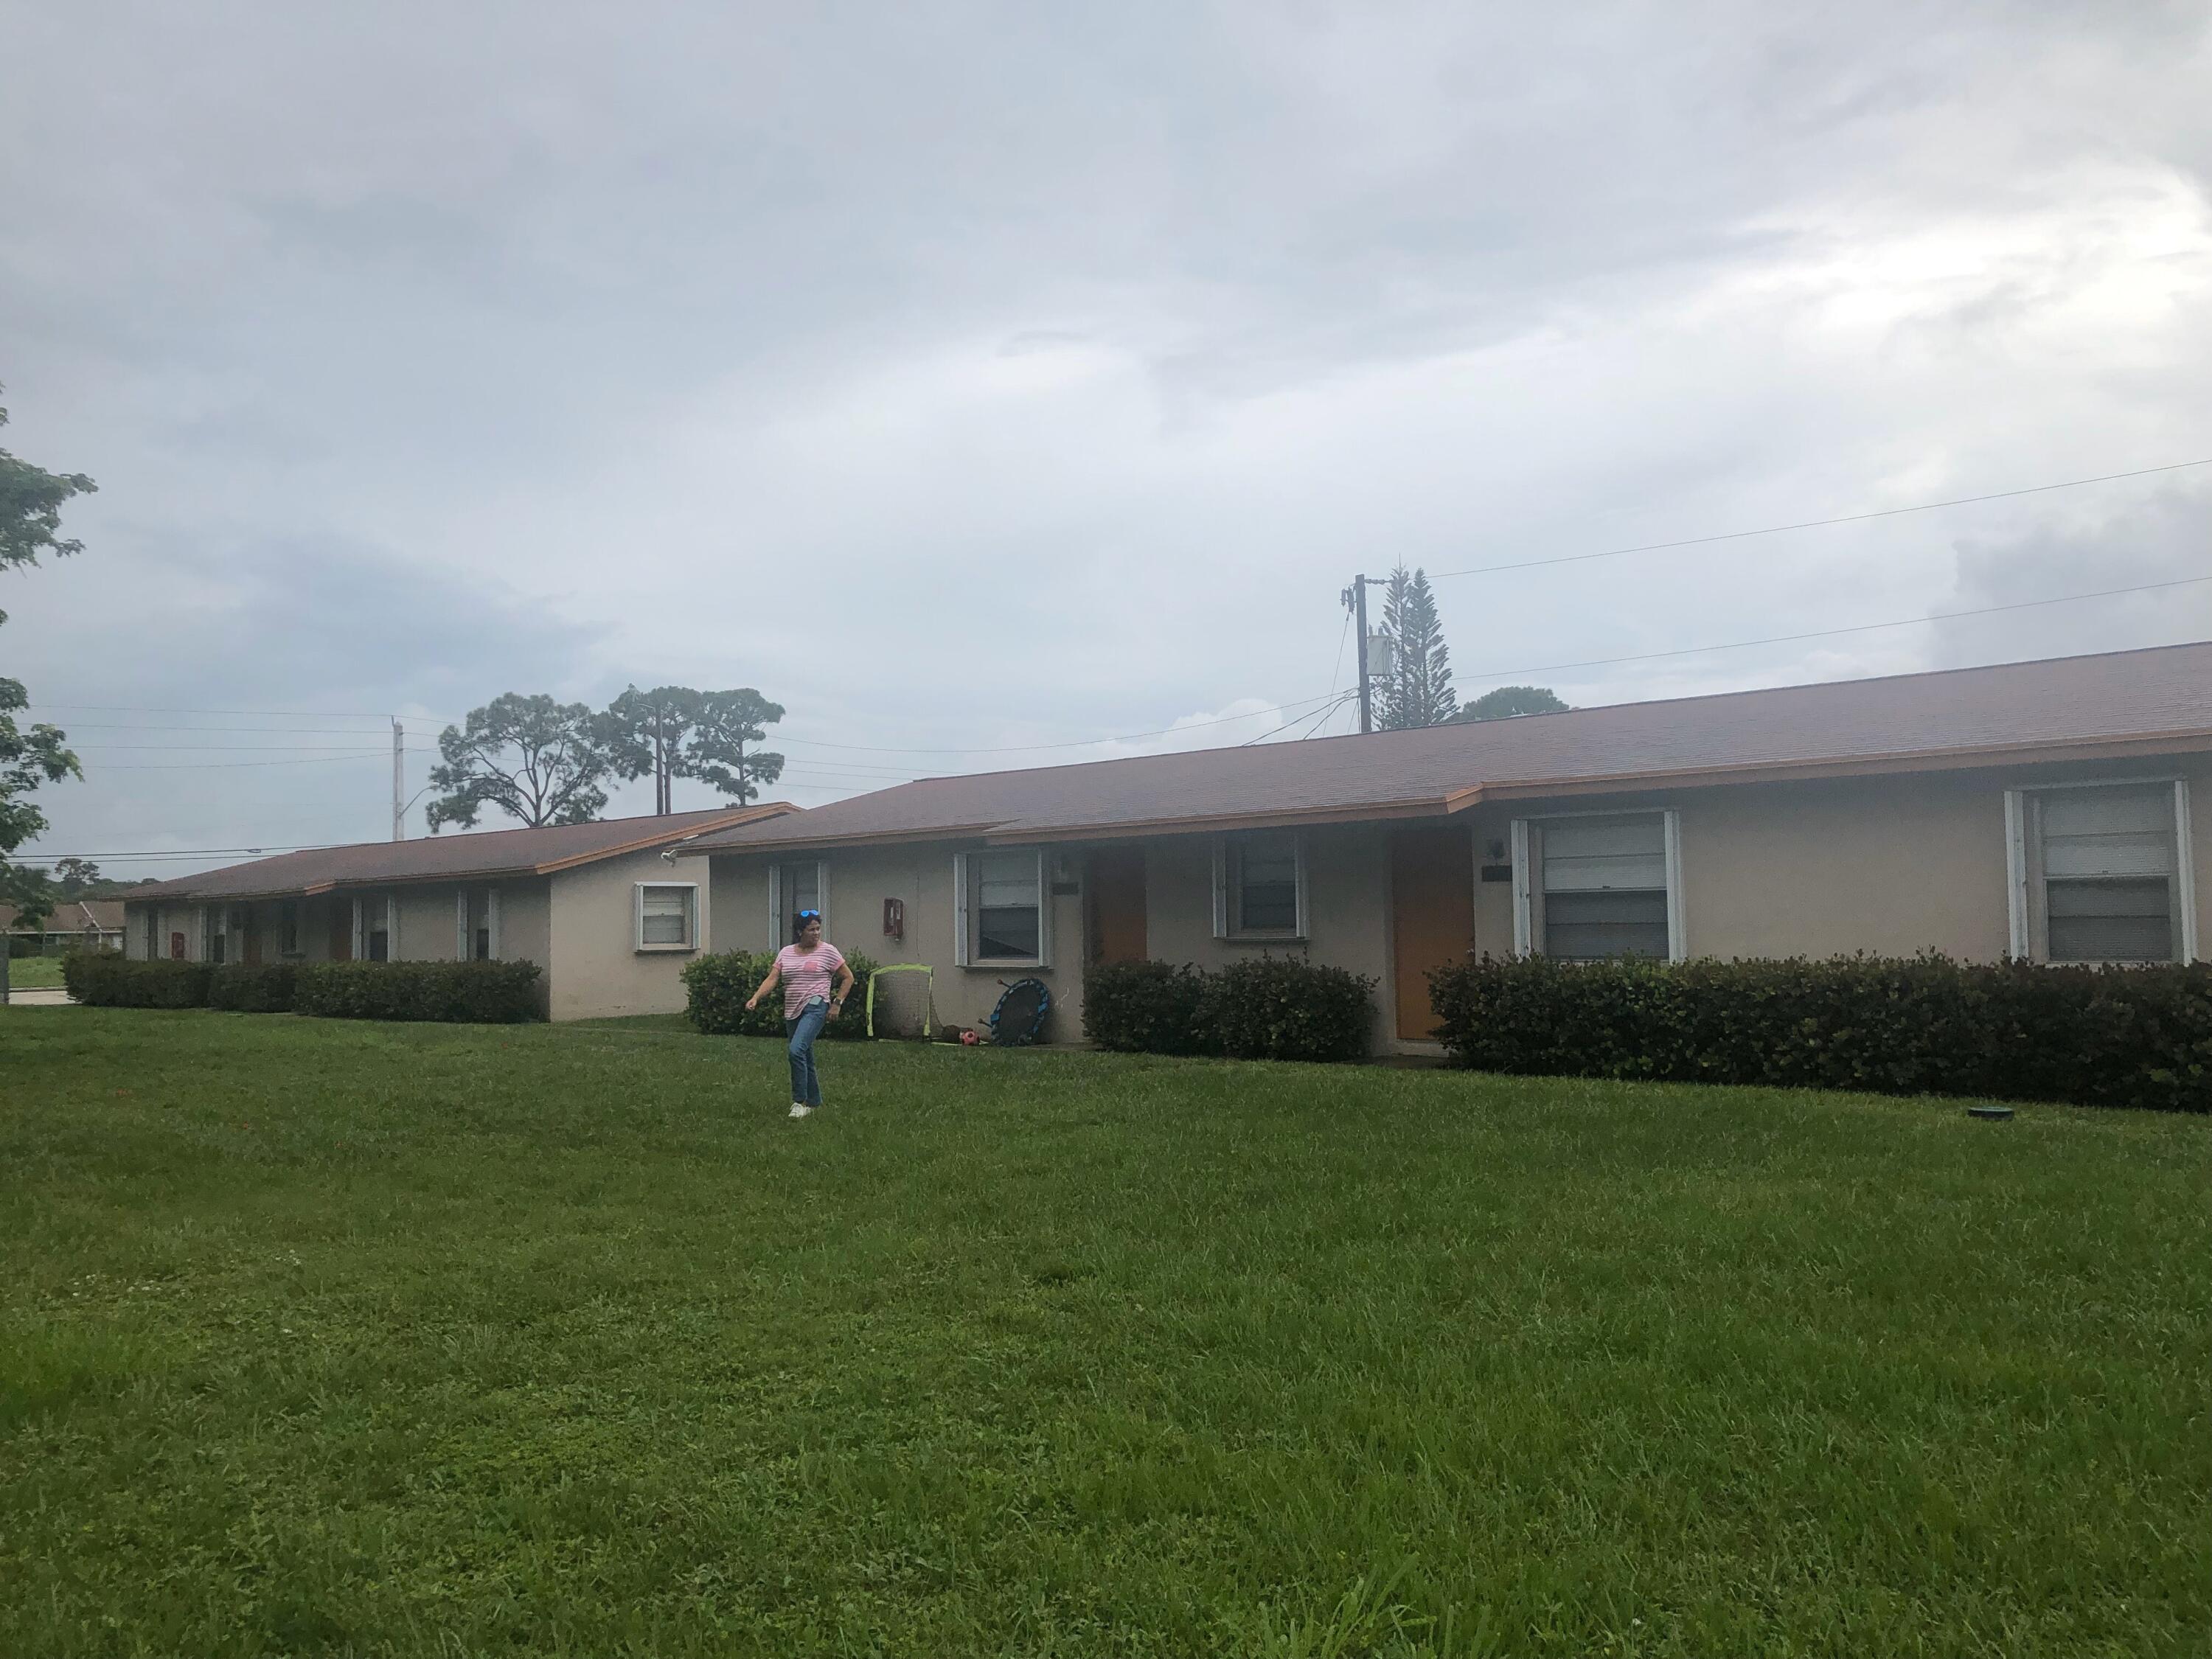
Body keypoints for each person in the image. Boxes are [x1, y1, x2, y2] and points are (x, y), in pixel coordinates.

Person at [745, 910, 855, 1118]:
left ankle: (799, 1102)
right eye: (811, 929)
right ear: (799, 932)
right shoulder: (786, 953)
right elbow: (773, 978)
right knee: (805, 1055)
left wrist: (837, 1003)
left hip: (816, 1005)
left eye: (818, 929)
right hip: (792, 1009)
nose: (816, 933)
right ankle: (814, 1103)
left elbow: (848, 977)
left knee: (796, 1050)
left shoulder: (828, 952)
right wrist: (756, 997)